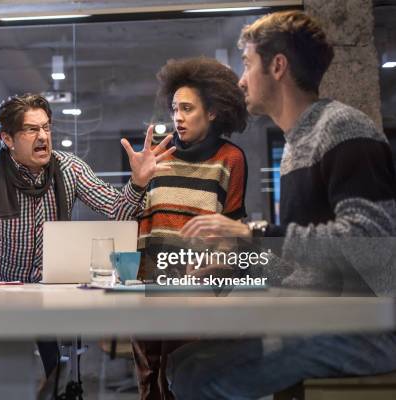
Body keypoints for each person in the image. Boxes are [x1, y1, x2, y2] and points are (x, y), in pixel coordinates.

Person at [169, 10, 396, 399]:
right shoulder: (296, 145)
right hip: (324, 317)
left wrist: (252, 233)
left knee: (198, 376)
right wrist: (237, 266)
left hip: (366, 331)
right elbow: (306, 268)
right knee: (182, 362)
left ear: (277, 66)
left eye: (247, 64)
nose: (241, 79)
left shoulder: (343, 128)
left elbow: (370, 246)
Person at [0, 92, 174, 378]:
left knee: (60, 378)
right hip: (4, 292)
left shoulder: (68, 168)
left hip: (52, 292)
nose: (42, 136)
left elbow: (119, 210)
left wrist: (138, 183)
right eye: (31, 129)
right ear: (7, 139)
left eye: (46, 127)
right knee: (11, 380)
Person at [133, 57, 248, 400]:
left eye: (187, 108)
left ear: (212, 112)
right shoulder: (157, 159)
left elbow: (233, 225)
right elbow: (137, 219)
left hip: (196, 290)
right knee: (149, 383)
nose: (177, 117)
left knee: (186, 381)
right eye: (174, 108)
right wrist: (136, 183)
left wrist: (217, 270)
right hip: (147, 288)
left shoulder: (231, 159)